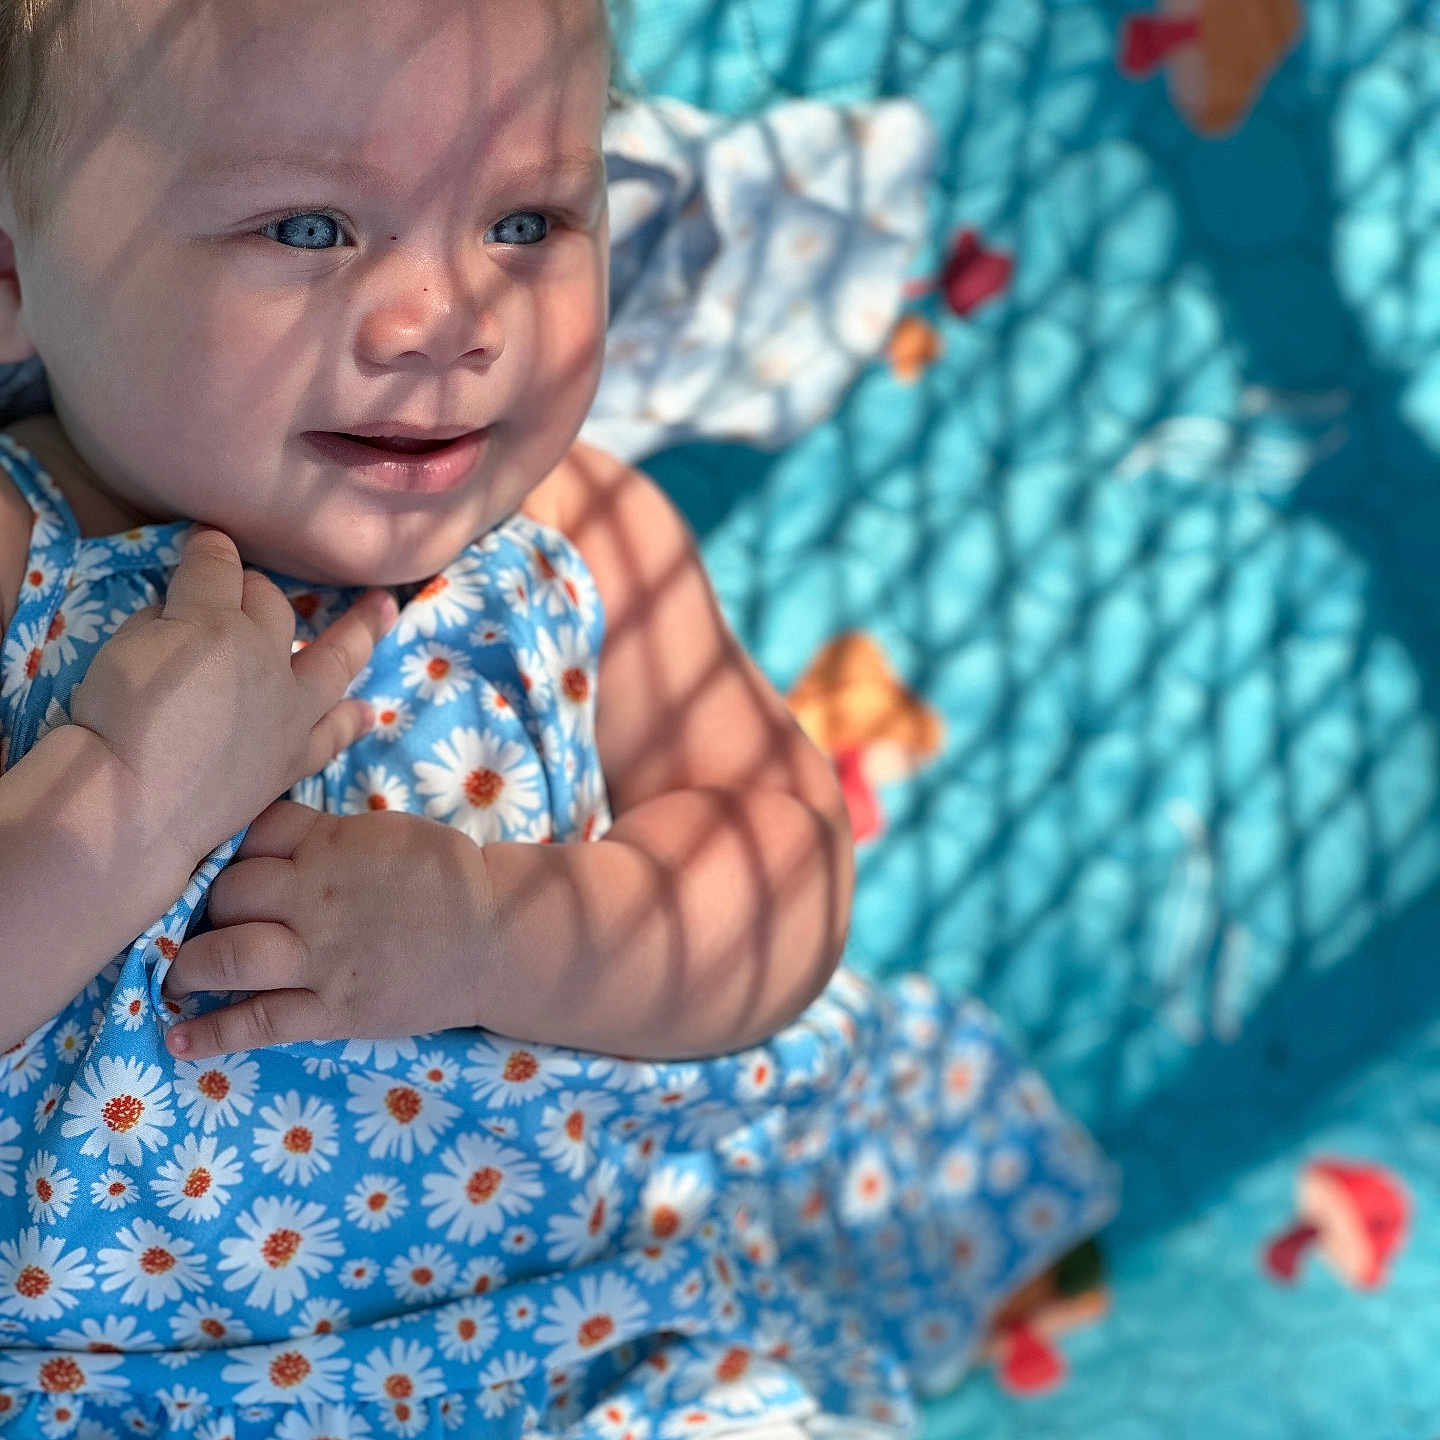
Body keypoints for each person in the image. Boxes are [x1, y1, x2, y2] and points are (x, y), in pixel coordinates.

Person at [0, 1, 1117, 1435]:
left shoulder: (578, 532)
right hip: (96, 1393)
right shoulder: (23, 551)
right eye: (306, 230)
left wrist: (497, 930)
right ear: (17, 269)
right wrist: (121, 797)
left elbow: (777, 872)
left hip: (577, 1343)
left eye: (525, 221)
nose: (447, 318)